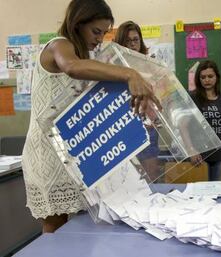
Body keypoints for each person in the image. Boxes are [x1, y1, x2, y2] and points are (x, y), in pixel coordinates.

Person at [21, 0, 160, 233]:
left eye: (104, 33)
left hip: (72, 151)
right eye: (96, 31)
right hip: (46, 153)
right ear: (77, 23)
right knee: (56, 226)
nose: (99, 39)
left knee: (80, 229)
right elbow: (71, 67)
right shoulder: (59, 46)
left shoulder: (86, 59)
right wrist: (130, 74)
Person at [114, 21, 161, 182]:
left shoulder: (149, 64)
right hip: (123, 128)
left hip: (147, 126)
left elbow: (156, 94)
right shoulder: (113, 67)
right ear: (120, 43)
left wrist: (154, 118)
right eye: (128, 41)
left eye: (136, 40)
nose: (133, 44)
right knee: (129, 179)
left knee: (151, 176)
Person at [190, 60, 221, 181]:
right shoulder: (193, 99)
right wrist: (191, 151)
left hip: (218, 155)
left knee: (214, 192)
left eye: (210, 76)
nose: (207, 80)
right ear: (199, 79)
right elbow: (183, 126)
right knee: (199, 194)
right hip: (199, 157)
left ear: (217, 77)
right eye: (203, 77)